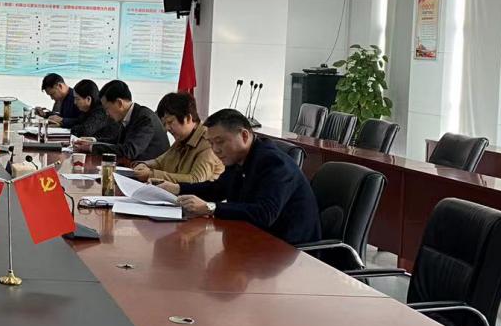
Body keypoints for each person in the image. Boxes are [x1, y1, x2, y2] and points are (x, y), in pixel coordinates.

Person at [163, 108, 321, 244]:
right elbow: (217, 189)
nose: (215, 149)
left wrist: (210, 207)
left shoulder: (274, 163)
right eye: (211, 143)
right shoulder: (237, 158)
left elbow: (264, 213)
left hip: (289, 249)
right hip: (255, 239)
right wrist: (176, 188)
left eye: (220, 141)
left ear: (244, 136)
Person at [133, 93, 224, 184]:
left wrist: (151, 174)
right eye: (164, 124)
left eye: (170, 122)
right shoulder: (182, 138)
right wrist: (143, 165)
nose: (167, 128)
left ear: (188, 118)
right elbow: (159, 162)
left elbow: (196, 180)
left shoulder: (208, 142)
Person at [71, 80, 169, 162]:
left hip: (152, 172)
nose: (106, 114)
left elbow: (129, 151)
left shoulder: (144, 118)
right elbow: (117, 141)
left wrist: (91, 148)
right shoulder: (130, 115)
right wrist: (93, 141)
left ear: (119, 103)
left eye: (107, 108)